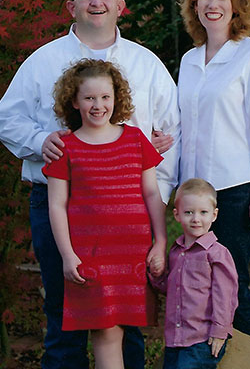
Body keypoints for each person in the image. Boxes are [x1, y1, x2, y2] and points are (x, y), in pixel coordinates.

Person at [0, 0, 180, 369]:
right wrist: (36, 141)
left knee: (126, 322)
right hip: (58, 206)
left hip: (127, 213)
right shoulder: (43, 62)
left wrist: (157, 217)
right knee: (63, 318)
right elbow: (6, 117)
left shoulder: (146, 63)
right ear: (72, 6)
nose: (96, 3)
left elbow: (172, 132)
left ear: (120, 5)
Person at [178, 0, 250, 339]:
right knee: (199, 291)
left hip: (235, 190)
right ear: (194, 3)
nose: (213, 3)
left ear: (236, 5)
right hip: (193, 196)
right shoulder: (189, 60)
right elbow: (183, 127)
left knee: (231, 286)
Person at [42, 58, 166, 369]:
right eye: (89, 98)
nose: (98, 105)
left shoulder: (136, 139)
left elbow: (152, 193)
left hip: (133, 254)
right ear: (74, 100)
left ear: (116, 97)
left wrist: (160, 242)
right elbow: (56, 205)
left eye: (105, 97)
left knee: (122, 329)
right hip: (92, 255)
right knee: (106, 332)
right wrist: (68, 255)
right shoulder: (65, 148)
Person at [149, 178, 238, 369]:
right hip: (175, 338)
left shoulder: (217, 253)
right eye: (188, 212)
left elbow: (225, 296)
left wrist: (220, 331)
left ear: (214, 215)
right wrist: (157, 276)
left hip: (203, 338)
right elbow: (172, 287)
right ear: (177, 215)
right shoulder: (176, 251)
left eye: (203, 212)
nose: (196, 218)